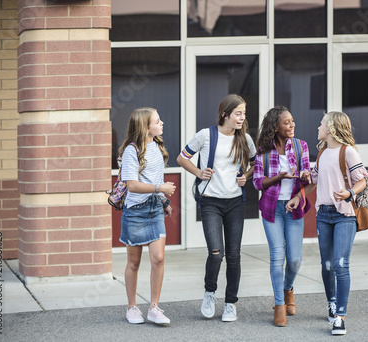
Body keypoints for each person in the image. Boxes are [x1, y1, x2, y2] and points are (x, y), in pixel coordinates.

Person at [177, 94, 256, 322]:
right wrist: (199, 172)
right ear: (225, 114)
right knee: (216, 253)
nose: (242, 117)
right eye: (238, 113)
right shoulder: (206, 135)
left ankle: (230, 303)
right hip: (210, 200)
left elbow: (255, 164)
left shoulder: (245, 139)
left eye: (244, 113)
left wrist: (246, 177)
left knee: (233, 256)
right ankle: (209, 292)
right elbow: (182, 158)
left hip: (234, 202)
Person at [287, 111, 368, 335]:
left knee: (341, 264)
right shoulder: (322, 153)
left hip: (344, 215)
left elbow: (363, 180)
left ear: (331, 129)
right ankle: (331, 302)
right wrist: (298, 195)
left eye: (321, 124)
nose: (318, 128)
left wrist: (349, 193)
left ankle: (340, 316)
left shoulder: (348, 152)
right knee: (327, 265)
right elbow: (314, 180)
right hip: (324, 215)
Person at [252, 106, 312, 327]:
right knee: (277, 255)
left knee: (294, 259)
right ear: (275, 126)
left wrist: (305, 175)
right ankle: (279, 305)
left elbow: (307, 175)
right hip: (272, 208)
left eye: (292, 121)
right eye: (286, 123)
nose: (291, 125)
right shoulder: (263, 151)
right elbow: (258, 182)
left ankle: (288, 290)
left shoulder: (300, 146)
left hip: (294, 207)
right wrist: (279, 177)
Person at [119, 107, 176, 325]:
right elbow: (132, 185)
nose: (162, 124)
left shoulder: (158, 147)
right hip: (135, 211)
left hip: (154, 209)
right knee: (134, 262)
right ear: (145, 126)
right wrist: (160, 188)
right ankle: (132, 306)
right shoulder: (131, 151)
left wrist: (163, 201)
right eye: (157, 121)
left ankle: (154, 307)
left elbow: (155, 176)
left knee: (158, 258)